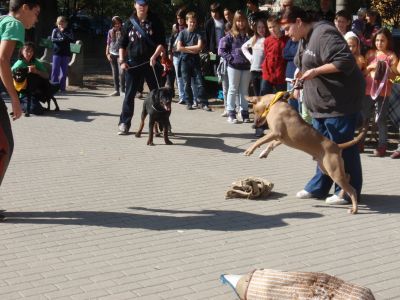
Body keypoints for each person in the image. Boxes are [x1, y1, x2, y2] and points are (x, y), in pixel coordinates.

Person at [281, 6, 365, 205]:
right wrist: (301, 78)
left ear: (299, 22)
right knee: (320, 148)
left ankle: (346, 190)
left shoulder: (324, 33)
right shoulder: (304, 37)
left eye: (287, 28)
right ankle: (319, 187)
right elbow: (304, 63)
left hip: (339, 103)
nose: (286, 33)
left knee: (341, 147)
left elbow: (345, 61)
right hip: (320, 105)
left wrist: (316, 71)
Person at [0, 0, 41, 221]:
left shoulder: (2, 20)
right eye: (35, 13)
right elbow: (3, 59)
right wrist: (15, 98)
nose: (36, 19)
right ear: (24, 8)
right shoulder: (14, 24)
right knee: (4, 146)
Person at [118, 0, 166, 135]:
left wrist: (155, 56)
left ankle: (162, 124)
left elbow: (161, 43)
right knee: (129, 95)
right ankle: (124, 123)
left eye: (144, 5)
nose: (142, 7)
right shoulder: (129, 23)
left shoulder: (155, 21)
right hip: (133, 64)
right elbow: (122, 44)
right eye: (140, 4)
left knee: (157, 95)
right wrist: (122, 61)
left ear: (148, 6)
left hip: (151, 63)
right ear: (135, 5)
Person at [364, 28, 398, 157]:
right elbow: (364, 72)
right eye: (377, 40)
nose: (379, 43)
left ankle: (382, 145)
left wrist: (385, 69)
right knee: (364, 117)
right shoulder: (370, 54)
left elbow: (394, 76)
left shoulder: (391, 56)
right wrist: (371, 67)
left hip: (383, 93)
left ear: (388, 41)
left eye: (382, 40)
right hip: (367, 92)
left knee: (381, 120)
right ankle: (360, 142)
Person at [219, 10, 251, 124]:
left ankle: (244, 113)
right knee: (232, 89)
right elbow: (221, 50)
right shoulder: (230, 35)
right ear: (234, 22)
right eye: (238, 21)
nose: (240, 23)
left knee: (244, 91)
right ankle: (231, 113)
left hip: (247, 67)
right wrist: (231, 58)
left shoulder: (250, 35)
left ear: (246, 21)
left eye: (242, 21)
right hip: (233, 67)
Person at [176, 11, 211, 111]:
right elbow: (178, 48)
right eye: (191, 22)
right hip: (185, 60)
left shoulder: (198, 33)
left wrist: (185, 47)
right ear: (187, 22)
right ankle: (189, 102)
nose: (192, 24)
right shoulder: (182, 33)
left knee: (200, 81)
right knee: (186, 83)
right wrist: (192, 50)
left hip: (195, 60)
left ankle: (203, 102)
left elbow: (199, 47)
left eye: (194, 22)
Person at [12, 42, 49, 115]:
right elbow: (11, 78)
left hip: (34, 91)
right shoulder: (19, 64)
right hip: (23, 93)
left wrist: (36, 71)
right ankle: (20, 104)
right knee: (36, 110)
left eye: (31, 51)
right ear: (22, 52)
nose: (29, 53)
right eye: (27, 51)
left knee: (53, 87)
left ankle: (34, 102)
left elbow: (47, 75)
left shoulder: (35, 62)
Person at [260, 15, 288, 95]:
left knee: (281, 97)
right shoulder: (267, 40)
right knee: (264, 95)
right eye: (270, 27)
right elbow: (266, 55)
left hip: (281, 74)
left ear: (279, 25)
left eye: (274, 26)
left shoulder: (286, 39)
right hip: (268, 73)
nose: (272, 29)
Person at [51, 16, 74, 93]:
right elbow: (53, 39)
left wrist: (63, 33)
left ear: (66, 23)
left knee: (64, 72)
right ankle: (54, 87)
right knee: (55, 71)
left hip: (66, 53)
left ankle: (62, 88)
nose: (60, 25)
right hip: (57, 53)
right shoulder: (55, 30)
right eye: (59, 24)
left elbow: (71, 39)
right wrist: (61, 39)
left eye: (62, 23)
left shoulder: (69, 31)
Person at [106, 16, 125, 97]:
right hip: (112, 53)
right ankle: (116, 90)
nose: (117, 25)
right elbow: (108, 43)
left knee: (122, 72)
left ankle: (122, 90)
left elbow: (126, 43)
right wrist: (107, 53)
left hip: (120, 55)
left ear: (121, 23)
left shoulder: (124, 31)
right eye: (115, 24)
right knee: (115, 73)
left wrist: (124, 55)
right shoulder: (110, 31)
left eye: (118, 23)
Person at [204, 3, 226, 76]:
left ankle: (222, 86)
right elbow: (206, 38)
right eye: (212, 12)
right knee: (214, 68)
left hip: (223, 49)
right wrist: (208, 51)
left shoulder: (224, 21)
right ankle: (215, 86)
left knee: (223, 67)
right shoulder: (209, 23)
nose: (214, 14)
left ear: (219, 12)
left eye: (215, 12)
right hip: (213, 50)